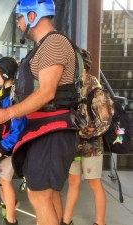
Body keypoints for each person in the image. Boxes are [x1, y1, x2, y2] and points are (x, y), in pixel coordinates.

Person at [0, 1, 85, 224]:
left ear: (32, 16)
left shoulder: (54, 43)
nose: (18, 25)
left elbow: (47, 92)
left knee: (40, 195)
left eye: (19, 19)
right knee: (47, 194)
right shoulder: (44, 46)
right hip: (43, 130)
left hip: (52, 129)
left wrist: (6, 114)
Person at [61, 49, 114, 225]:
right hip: (73, 147)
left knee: (94, 184)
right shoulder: (70, 88)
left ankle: (100, 222)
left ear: (84, 66)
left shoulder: (96, 92)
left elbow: (104, 123)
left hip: (91, 149)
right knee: (73, 182)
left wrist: (81, 132)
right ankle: (66, 220)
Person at [0, 57, 27, 225]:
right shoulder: (0, 92)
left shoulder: (15, 96)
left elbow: (18, 127)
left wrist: (3, 147)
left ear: (7, 73)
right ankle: (11, 204)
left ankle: (11, 220)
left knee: (3, 180)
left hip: (10, 147)